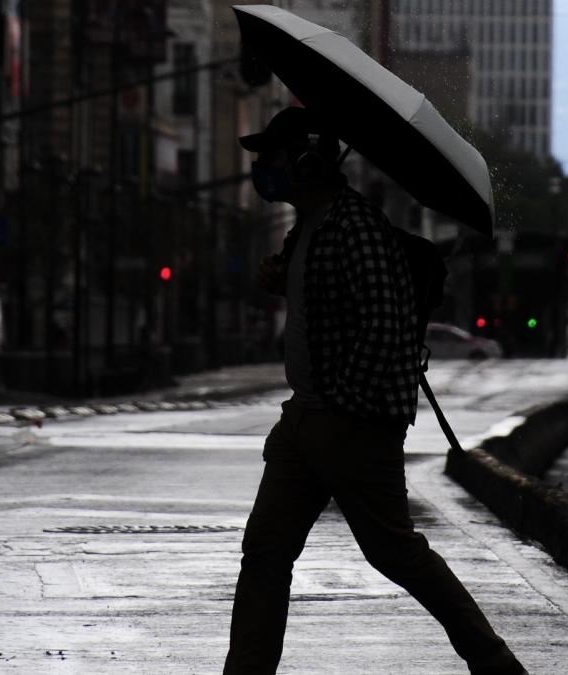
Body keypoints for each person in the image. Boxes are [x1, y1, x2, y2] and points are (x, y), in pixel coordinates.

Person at [224, 107, 526, 675]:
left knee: (395, 552)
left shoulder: (356, 228)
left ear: (309, 160)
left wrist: (340, 410)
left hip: (350, 423)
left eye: (272, 155)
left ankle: (494, 662)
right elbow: (329, 310)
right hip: (304, 421)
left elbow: (383, 325)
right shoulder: (307, 229)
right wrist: (280, 281)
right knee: (265, 552)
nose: (262, 166)